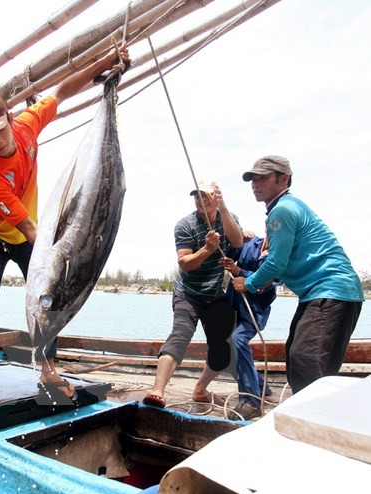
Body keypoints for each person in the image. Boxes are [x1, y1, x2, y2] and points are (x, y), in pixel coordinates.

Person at [0, 45, 130, 420]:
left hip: (33, 239)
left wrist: (103, 63)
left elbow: (61, 91)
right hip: (0, 237)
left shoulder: (26, 125)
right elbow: (32, 230)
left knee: (48, 302)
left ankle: (48, 370)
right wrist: (68, 259)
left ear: (8, 116)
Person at [232, 155, 364, 394]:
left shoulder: (282, 209)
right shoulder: (286, 208)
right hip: (327, 294)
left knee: (305, 359)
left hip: (331, 290)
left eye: (263, 177)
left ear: (284, 179)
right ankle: (316, 417)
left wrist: (248, 283)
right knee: (299, 357)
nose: (255, 183)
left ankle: (313, 423)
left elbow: (276, 264)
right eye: (253, 178)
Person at [142, 180, 243, 408]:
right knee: (180, 336)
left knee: (224, 346)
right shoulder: (185, 225)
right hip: (187, 293)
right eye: (196, 196)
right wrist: (207, 249)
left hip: (215, 292)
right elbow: (185, 264)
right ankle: (157, 390)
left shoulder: (229, 217)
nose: (200, 200)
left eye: (205, 196)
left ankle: (200, 389)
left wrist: (225, 209)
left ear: (216, 197)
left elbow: (237, 241)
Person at [221, 232, 278, 420]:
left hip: (253, 311)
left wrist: (240, 272)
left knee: (238, 341)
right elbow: (230, 250)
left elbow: (267, 281)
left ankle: (251, 401)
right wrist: (237, 236)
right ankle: (260, 385)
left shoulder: (279, 255)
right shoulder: (251, 243)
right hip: (233, 306)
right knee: (225, 351)